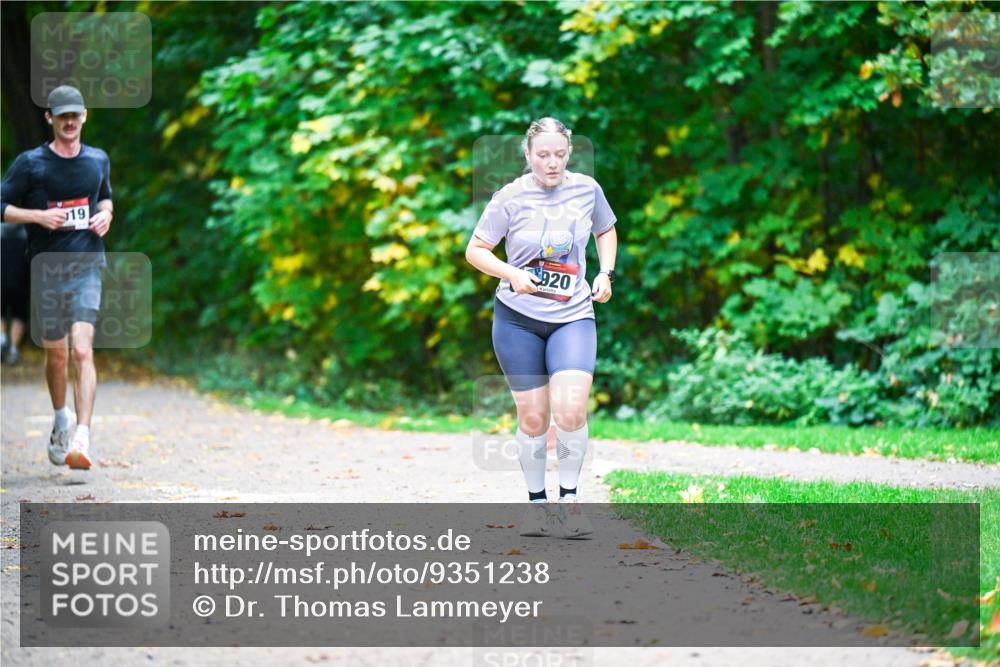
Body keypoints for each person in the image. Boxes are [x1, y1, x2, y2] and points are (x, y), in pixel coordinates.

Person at [466, 117, 618, 538]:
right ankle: (537, 503)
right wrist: (511, 274)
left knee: (570, 408)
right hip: (517, 319)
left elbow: (606, 229)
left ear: (569, 152)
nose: (551, 163)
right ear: (528, 155)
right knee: (534, 418)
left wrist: (605, 273)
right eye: (543, 155)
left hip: (572, 314)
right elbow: (475, 250)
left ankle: (569, 501)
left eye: (559, 154)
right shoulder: (510, 197)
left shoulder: (587, 189)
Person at [0, 85, 114, 470]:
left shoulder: (98, 159)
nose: (69, 121)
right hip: (46, 270)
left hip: (87, 267)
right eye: (61, 115)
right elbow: (2, 207)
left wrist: (106, 214)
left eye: (75, 114)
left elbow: (105, 197)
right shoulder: (31, 164)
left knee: (82, 350)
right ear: (50, 118)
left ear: (84, 117)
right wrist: (38, 217)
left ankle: (82, 436)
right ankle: (61, 417)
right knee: (56, 355)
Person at [1, 222, 30, 365]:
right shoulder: (27, 232)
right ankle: (12, 348)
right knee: (19, 315)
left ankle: (1, 338)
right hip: (21, 282)